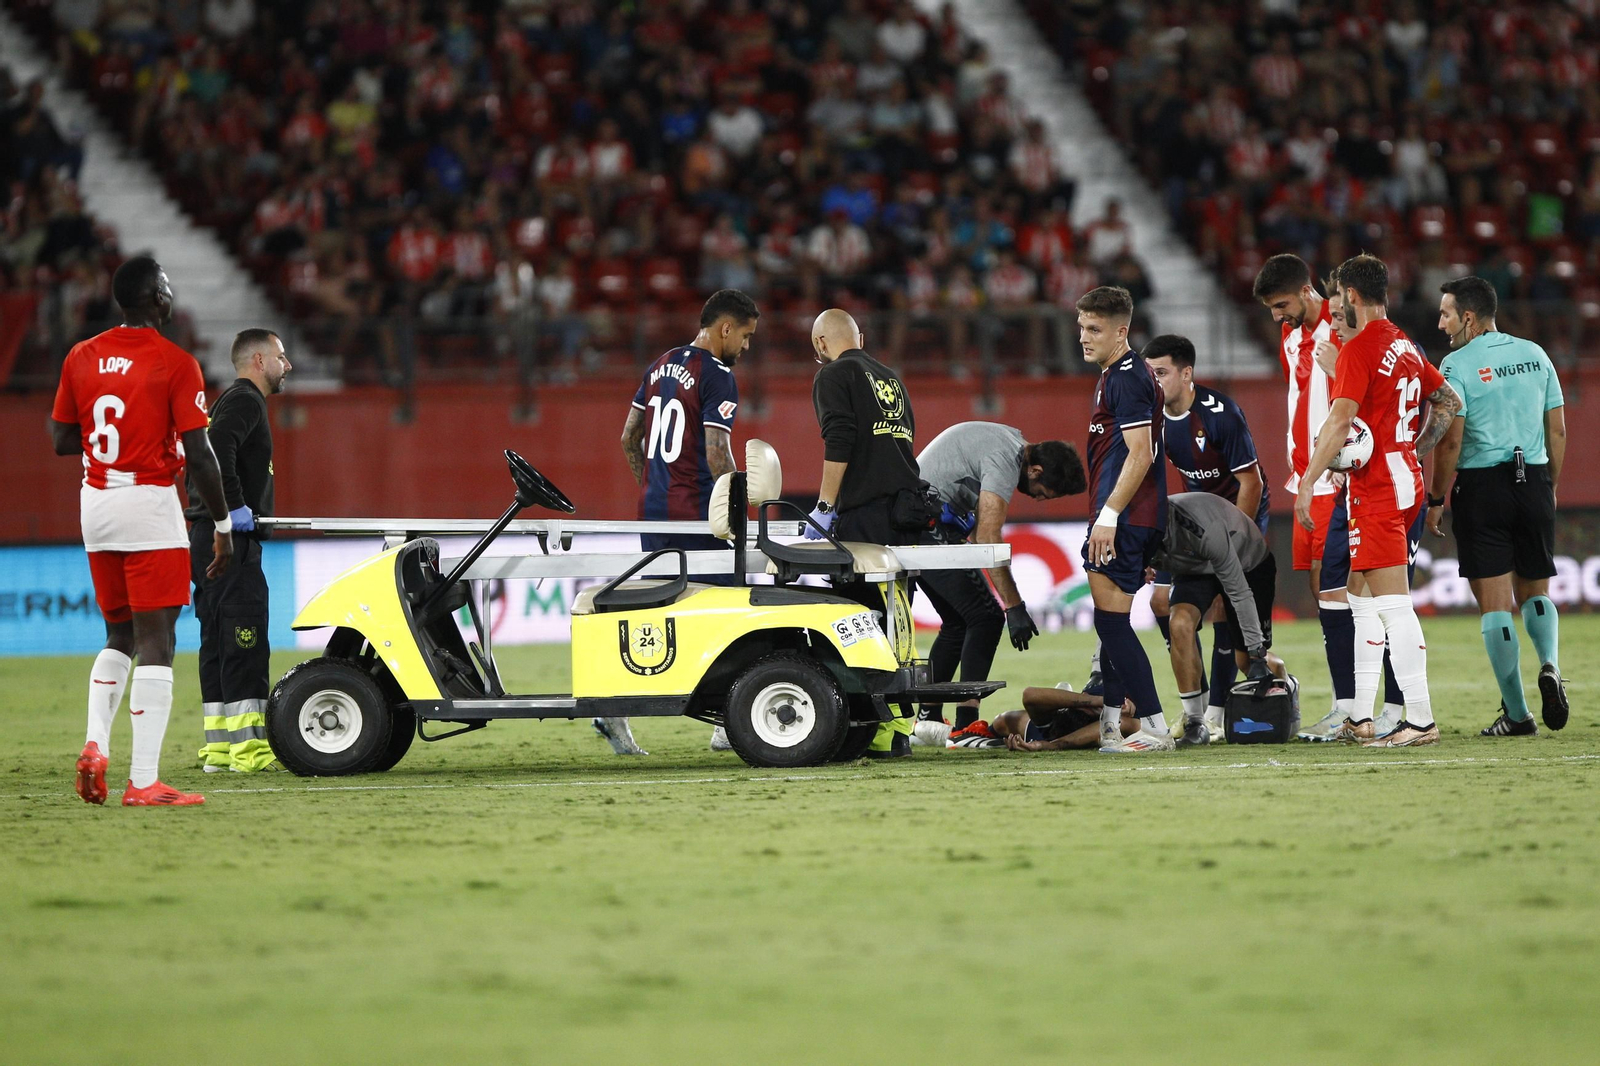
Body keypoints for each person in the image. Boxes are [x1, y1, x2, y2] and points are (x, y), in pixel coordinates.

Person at [50, 256, 234, 807]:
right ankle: (144, 781)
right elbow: (200, 456)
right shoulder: (175, 362)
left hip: (96, 502)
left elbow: (62, 440)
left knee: (119, 634)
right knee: (158, 641)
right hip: (149, 504)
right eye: (167, 285)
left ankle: (93, 744)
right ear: (156, 298)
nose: (171, 292)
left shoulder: (81, 355)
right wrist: (222, 522)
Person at [1295, 254, 1462, 747]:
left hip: (1380, 492)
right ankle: (1361, 717)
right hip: (1397, 478)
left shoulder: (1361, 349)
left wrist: (1308, 481)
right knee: (1359, 598)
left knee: (1392, 606)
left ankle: (1421, 720)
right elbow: (1449, 402)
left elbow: (1340, 422)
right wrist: (1411, 448)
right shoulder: (1404, 343)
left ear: (1349, 294)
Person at [1255, 254, 1409, 740]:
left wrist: (1341, 359)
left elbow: (1374, 395)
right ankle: (1350, 705)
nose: (1277, 317)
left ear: (1307, 291)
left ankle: (1392, 705)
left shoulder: (1345, 331)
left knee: (1362, 596)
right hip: (1307, 478)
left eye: (1282, 305)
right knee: (1329, 595)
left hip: (1341, 482)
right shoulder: (1290, 335)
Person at [607, 288, 761, 756]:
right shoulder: (717, 376)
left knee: (656, 614)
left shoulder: (660, 364)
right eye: (747, 336)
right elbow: (717, 452)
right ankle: (729, 723)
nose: (747, 347)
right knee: (732, 611)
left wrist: (651, 485)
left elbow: (629, 437)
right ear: (725, 329)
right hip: (696, 515)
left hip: (653, 512)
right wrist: (737, 508)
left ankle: (612, 705)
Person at [1430, 276, 1567, 736]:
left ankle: (1518, 713)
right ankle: (1549, 664)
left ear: (1468, 318)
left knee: (1495, 606)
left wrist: (1435, 497)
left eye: (1446, 313)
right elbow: (1559, 431)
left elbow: (1450, 440)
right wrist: (1549, 487)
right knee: (1536, 591)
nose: (1441, 322)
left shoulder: (1455, 365)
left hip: (1482, 486)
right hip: (1534, 477)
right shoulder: (1536, 354)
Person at [912, 423, 1087, 742]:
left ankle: (928, 717)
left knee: (958, 622)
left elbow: (980, 534)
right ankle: (965, 726)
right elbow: (988, 537)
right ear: (1035, 469)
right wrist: (1015, 607)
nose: (1040, 500)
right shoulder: (1007, 458)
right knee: (987, 618)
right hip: (925, 526)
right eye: (1045, 492)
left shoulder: (1012, 442)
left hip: (920, 521)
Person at [806, 307, 923, 759]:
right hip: (903, 513)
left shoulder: (834, 375)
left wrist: (824, 507)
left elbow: (840, 439)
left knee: (859, 622)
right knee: (897, 619)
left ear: (820, 343)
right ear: (861, 335)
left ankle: (869, 727)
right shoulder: (889, 378)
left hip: (864, 518)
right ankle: (898, 730)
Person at [1144, 334, 1270, 741]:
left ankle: (1216, 713)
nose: (1154, 381)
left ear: (1186, 373)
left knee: (1223, 609)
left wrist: (1233, 544)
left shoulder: (1220, 414)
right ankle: (1195, 712)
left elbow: (1250, 482)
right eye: (1150, 374)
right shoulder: (1154, 417)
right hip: (1192, 527)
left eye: (1161, 373)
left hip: (1237, 522)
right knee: (1161, 602)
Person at [186, 328, 291, 774]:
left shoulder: (228, 401)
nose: (288, 365)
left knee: (217, 643)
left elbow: (204, 451)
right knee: (244, 643)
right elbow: (215, 450)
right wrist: (233, 511)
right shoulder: (246, 401)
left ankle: (220, 749)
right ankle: (250, 752)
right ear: (260, 361)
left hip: (204, 534)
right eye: (282, 356)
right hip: (226, 539)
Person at [1077, 285, 1172, 754]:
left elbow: (1141, 452)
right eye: (1081, 327)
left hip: (1126, 515)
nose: (1084, 337)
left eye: (1094, 329)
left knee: (1112, 625)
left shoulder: (1127, 376)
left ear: (1122, 330)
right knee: (1110, 621)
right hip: (1137, 516)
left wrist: (1110, 515)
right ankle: (1112, 726)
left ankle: (1155, 726)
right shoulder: (1119, 373)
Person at [1155, 493, 1291, 746]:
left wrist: (1256, 652)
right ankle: (1196, 723)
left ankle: (1284, 683)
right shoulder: (1139, 530)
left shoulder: (1205, 530)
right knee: (1179, 624)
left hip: (1247, 562)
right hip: (1195, 568)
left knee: (1246, 663)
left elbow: (1239, 592)